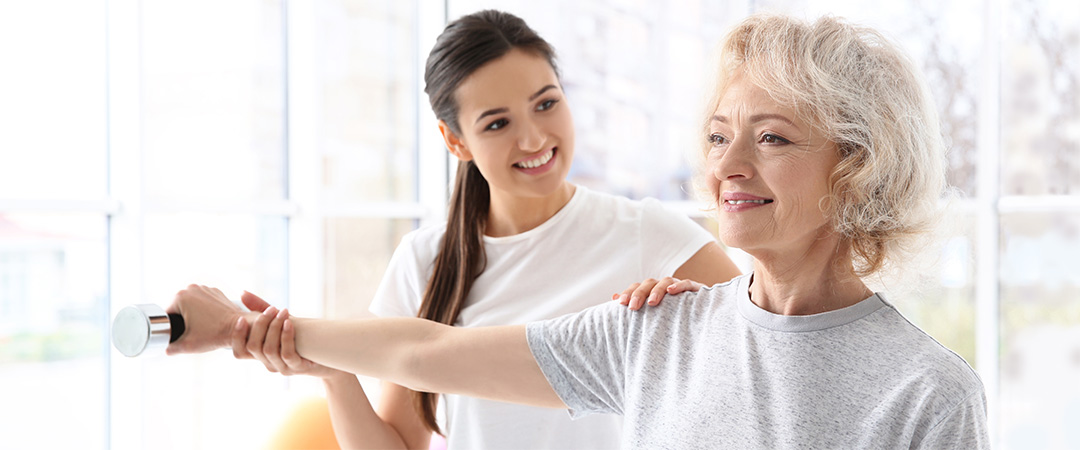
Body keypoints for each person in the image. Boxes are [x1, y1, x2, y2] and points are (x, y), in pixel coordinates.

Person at [169, 13, 990, 448]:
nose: (728, 164)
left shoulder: (926, 393)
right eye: (716, 135)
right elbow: (427, 355)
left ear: (859, 165)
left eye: (771, 137)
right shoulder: (654, 333)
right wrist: (246, 330)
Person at [166, 9, 740, 450]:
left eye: (546, 104)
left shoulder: (648, 236)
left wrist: (692, 322)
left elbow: (756, 353)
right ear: (455, 141)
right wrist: (334, 377)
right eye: (498, 123)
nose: (535, 139)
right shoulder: (424, 261)